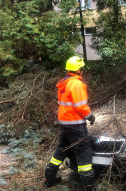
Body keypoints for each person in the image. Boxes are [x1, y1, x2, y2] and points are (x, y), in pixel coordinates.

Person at [44, 56, 96, 190]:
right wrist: (90, 116)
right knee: (84, 154)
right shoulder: (76, 84)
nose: (82, 70)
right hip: (76, 125)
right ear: (78, 69)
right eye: (81, 68)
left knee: (61, 150)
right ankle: (88, 185)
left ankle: (49, 178)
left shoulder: (64, 82)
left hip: (65, 123)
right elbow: (80, 106)